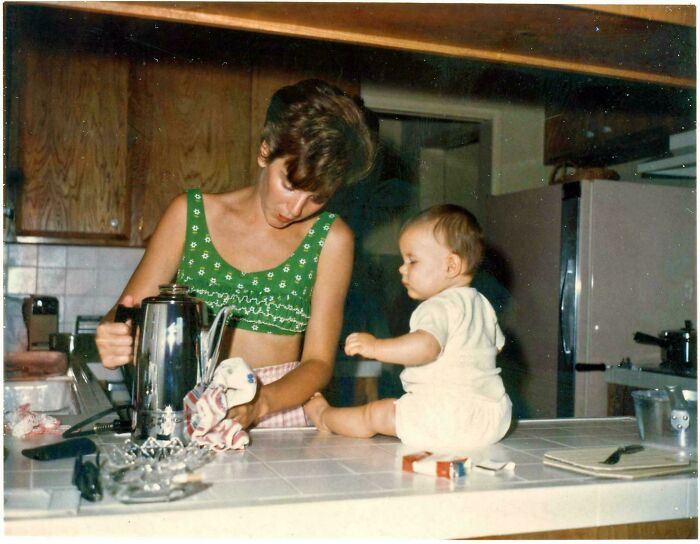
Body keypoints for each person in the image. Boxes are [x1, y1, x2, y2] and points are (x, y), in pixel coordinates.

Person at [96, 79, 375, 429]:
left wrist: (260, 404)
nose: (296, 207)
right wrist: (113, 336)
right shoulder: (188, 215)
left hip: (278, 411)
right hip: (187, 406)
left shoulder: (332, 239)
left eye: (317, 197)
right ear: (264, 152)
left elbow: (318, 362)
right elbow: (125, 313)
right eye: (290, 185)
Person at [304, 204, 512, 452]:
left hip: (445, 416)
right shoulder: (482, 304)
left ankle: (325, 416)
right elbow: (495, 347)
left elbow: (426, 347)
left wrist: (376, 347)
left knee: (375, 414)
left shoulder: (438, 306)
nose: (402, 268)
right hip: (492, 418)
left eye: (412, 261)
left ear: (451, 266)